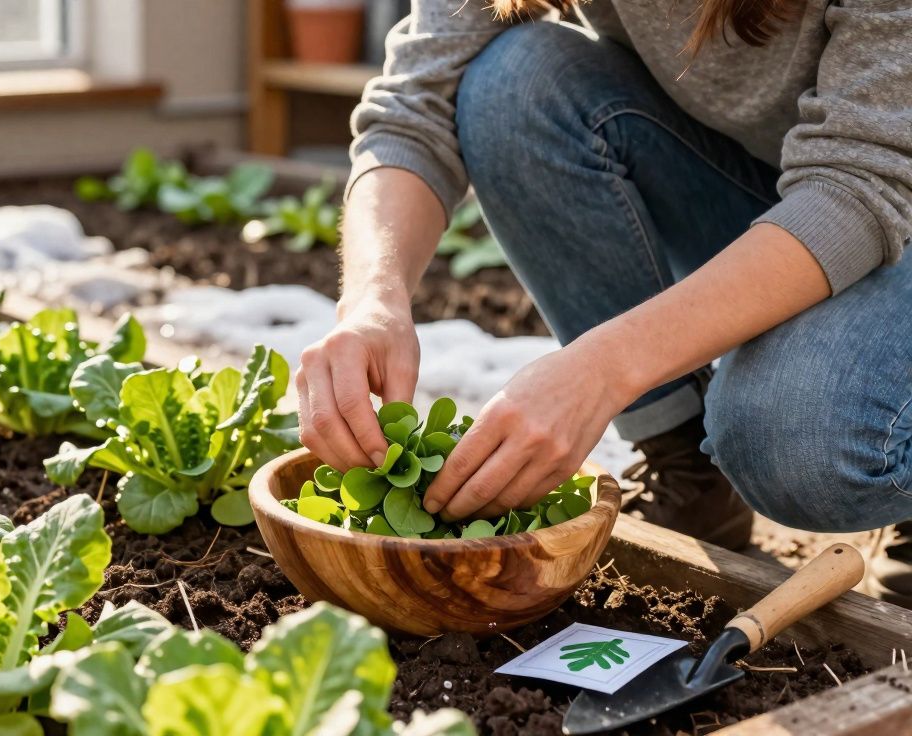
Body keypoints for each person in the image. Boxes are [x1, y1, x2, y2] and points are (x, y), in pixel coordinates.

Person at [296, 0, 912, 604]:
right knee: (515, 83)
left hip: (881, 189)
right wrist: (372, 301)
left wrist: (606, 368)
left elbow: (860, 182)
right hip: (778, 183)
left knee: (794, 437)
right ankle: (687, 471)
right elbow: (413, 107)